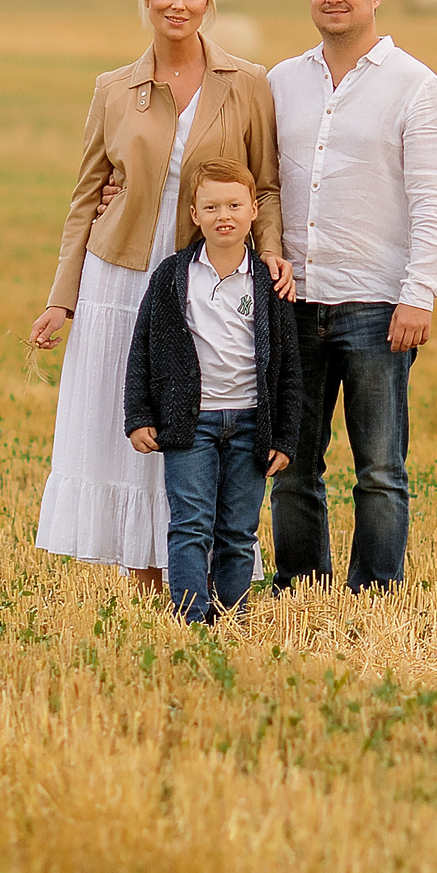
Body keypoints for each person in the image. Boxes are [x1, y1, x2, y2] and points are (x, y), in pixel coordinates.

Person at [30, 0, 284, 593]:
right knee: (138, 427)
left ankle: (205, 569)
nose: (178, 3)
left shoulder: (248, 82)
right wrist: (63, 298)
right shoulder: (113, 88)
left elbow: (269, 184)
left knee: (203, 417)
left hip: (209, 281)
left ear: (210, 2)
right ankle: (146, 572)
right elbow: (86, 197)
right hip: (122, 279)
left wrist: (273, 253)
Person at [269, 0, 437, 592]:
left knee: (379, 465)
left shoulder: (417, 88)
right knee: (291, 462)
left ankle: (376, 589)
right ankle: (299, 582)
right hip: (293, 300)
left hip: (377, 303)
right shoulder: (281, 82)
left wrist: (420, 292)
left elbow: (434, 203)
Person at [123, 159, 302, 622]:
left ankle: (232, 612)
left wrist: (284, 437)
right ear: (194, 213)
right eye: (212, 206)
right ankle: (191, 617)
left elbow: (288, 369)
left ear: (253, 212)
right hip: (190, 424)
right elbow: (144, 346)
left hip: (250, 424)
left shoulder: (268, 282)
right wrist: (139, 414)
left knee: (239, 530)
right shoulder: (173, 276)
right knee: (190, 524)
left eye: (235, 205)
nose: (224, 215)